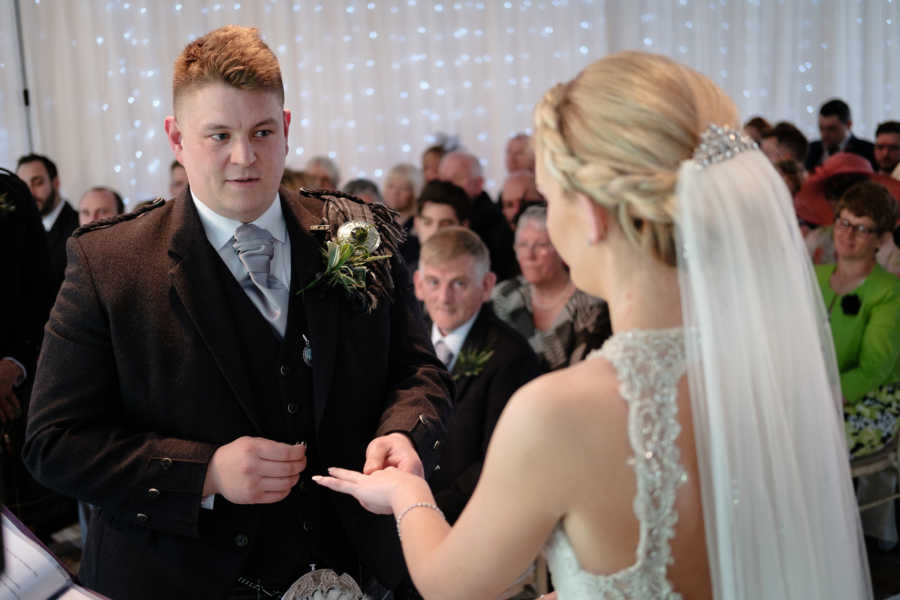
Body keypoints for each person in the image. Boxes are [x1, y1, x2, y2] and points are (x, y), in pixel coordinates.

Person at [314, 51, 872, 600]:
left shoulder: (559, 410)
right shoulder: (779, 374)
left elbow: (451, 584)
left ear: (594, 214)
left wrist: (408, 491)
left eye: (551, 197)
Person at [23, 25, 452, 600]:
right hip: (179, 580)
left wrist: (404, 431)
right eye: (218, 135)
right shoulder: (108, 262)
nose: (244, 157)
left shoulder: (360, 231)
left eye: (262, 131)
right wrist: (203, 473)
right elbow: (53, 442)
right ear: (176, 138)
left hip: (359, 572)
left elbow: (418, 370)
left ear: (287, 129)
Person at [413, 227, 542, 523]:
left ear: (487, 286)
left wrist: (429, 509)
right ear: (418, 284)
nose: (444, 298)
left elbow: (500, 460)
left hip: (470, 518)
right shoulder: (407, 339)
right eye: (434, 282)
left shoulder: (512, 357)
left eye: (459, 283)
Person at [815, 180, 900, 457]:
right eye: (843, 223)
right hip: (813, 391)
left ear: (882, 238)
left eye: (862, 229)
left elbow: (874, 369)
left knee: (805, 445)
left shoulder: (890, 291)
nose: (847, 235)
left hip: (870, 399)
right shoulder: (815, 276)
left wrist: (822, 398)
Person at [492, 205, 611, 371]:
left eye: (541, 245)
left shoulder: (590, 303)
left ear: (562, 250)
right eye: (523, 245)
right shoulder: (503, 295)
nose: (529, 256)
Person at [438, 151, 519, 281]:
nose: (447, 186)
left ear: (478, 184)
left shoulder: (496, 225)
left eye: (456, 178)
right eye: (443, 178)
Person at [16, 153, 79, 295]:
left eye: (37, 183)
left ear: (55, 183)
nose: (29, 192)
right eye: (23, 186)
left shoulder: (79, 227)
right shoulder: (18, 229)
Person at [806, 98, 876, 171]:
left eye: (831, 129)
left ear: (848, 125)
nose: (824, 135)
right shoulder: (810, 150)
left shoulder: (868, 151)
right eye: (821, 128)